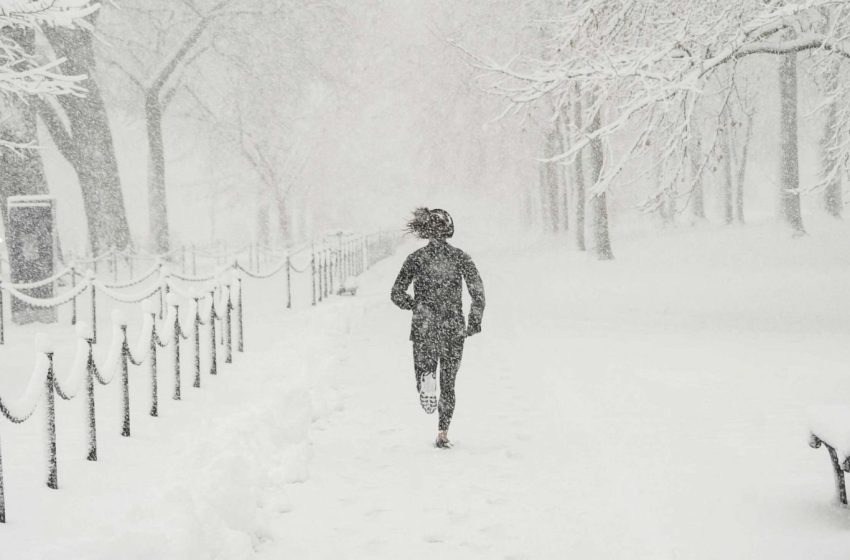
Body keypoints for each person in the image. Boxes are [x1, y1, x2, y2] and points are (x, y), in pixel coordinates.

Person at [391, 208, 485, 448]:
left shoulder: (415, 258)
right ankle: (443, 433)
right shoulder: (461, 257)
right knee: (450, 383)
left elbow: (396, 293)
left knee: (424, 372)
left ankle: (425, 379)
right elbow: (478, 293)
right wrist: (473, 322)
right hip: (453, 325)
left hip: (425, 325)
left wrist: (415, 305)